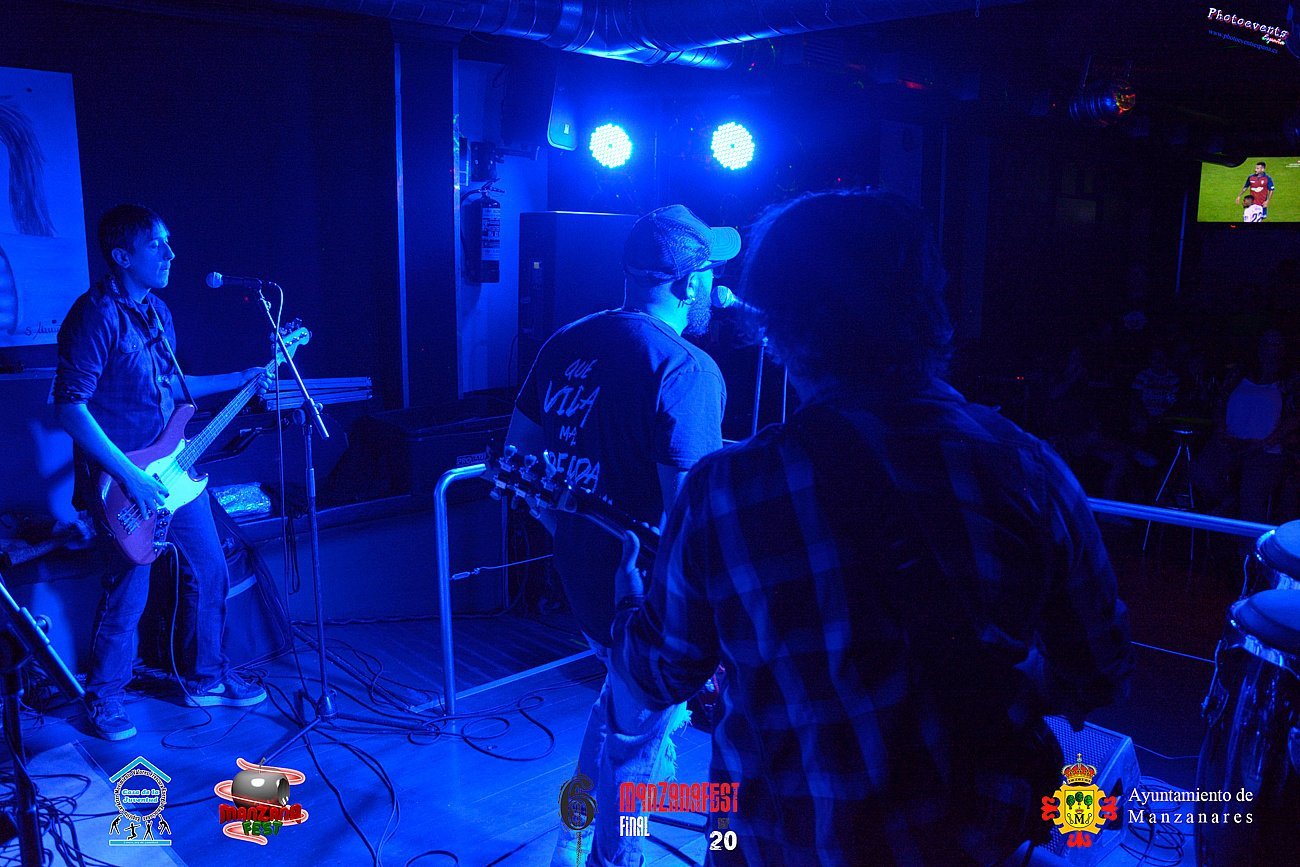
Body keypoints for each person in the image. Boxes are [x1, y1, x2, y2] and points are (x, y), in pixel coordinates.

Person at [611, 190, 1133, 866]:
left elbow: (657, 674)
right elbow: (1101, 671)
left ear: (781, 329)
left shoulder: (724, 490)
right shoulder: (1027, 470)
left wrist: (628, 603)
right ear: (928, 306)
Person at [506, 204, 738, 866]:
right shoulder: (685, 368)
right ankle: (614, 858)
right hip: (648, 600)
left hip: (582, 580)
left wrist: (569, 525)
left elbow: (517, 459)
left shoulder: (565, 343)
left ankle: (571, 837)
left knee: (616, 709)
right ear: (690, 282)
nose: (715, 285)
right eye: (711, 273)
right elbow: (690, 522)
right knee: (637, 748)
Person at [52, 204, 268, 741]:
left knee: (211, 569)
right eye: (156, 244)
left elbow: (172, 387)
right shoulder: (95, 315)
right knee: (130, 589)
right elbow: (70, 407)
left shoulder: (158, 312)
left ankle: (207, 675)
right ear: (123, 256)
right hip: (121, 483)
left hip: (171, 469)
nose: (171, 253)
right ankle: (103, 699)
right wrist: (130, 475)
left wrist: (243, 376)